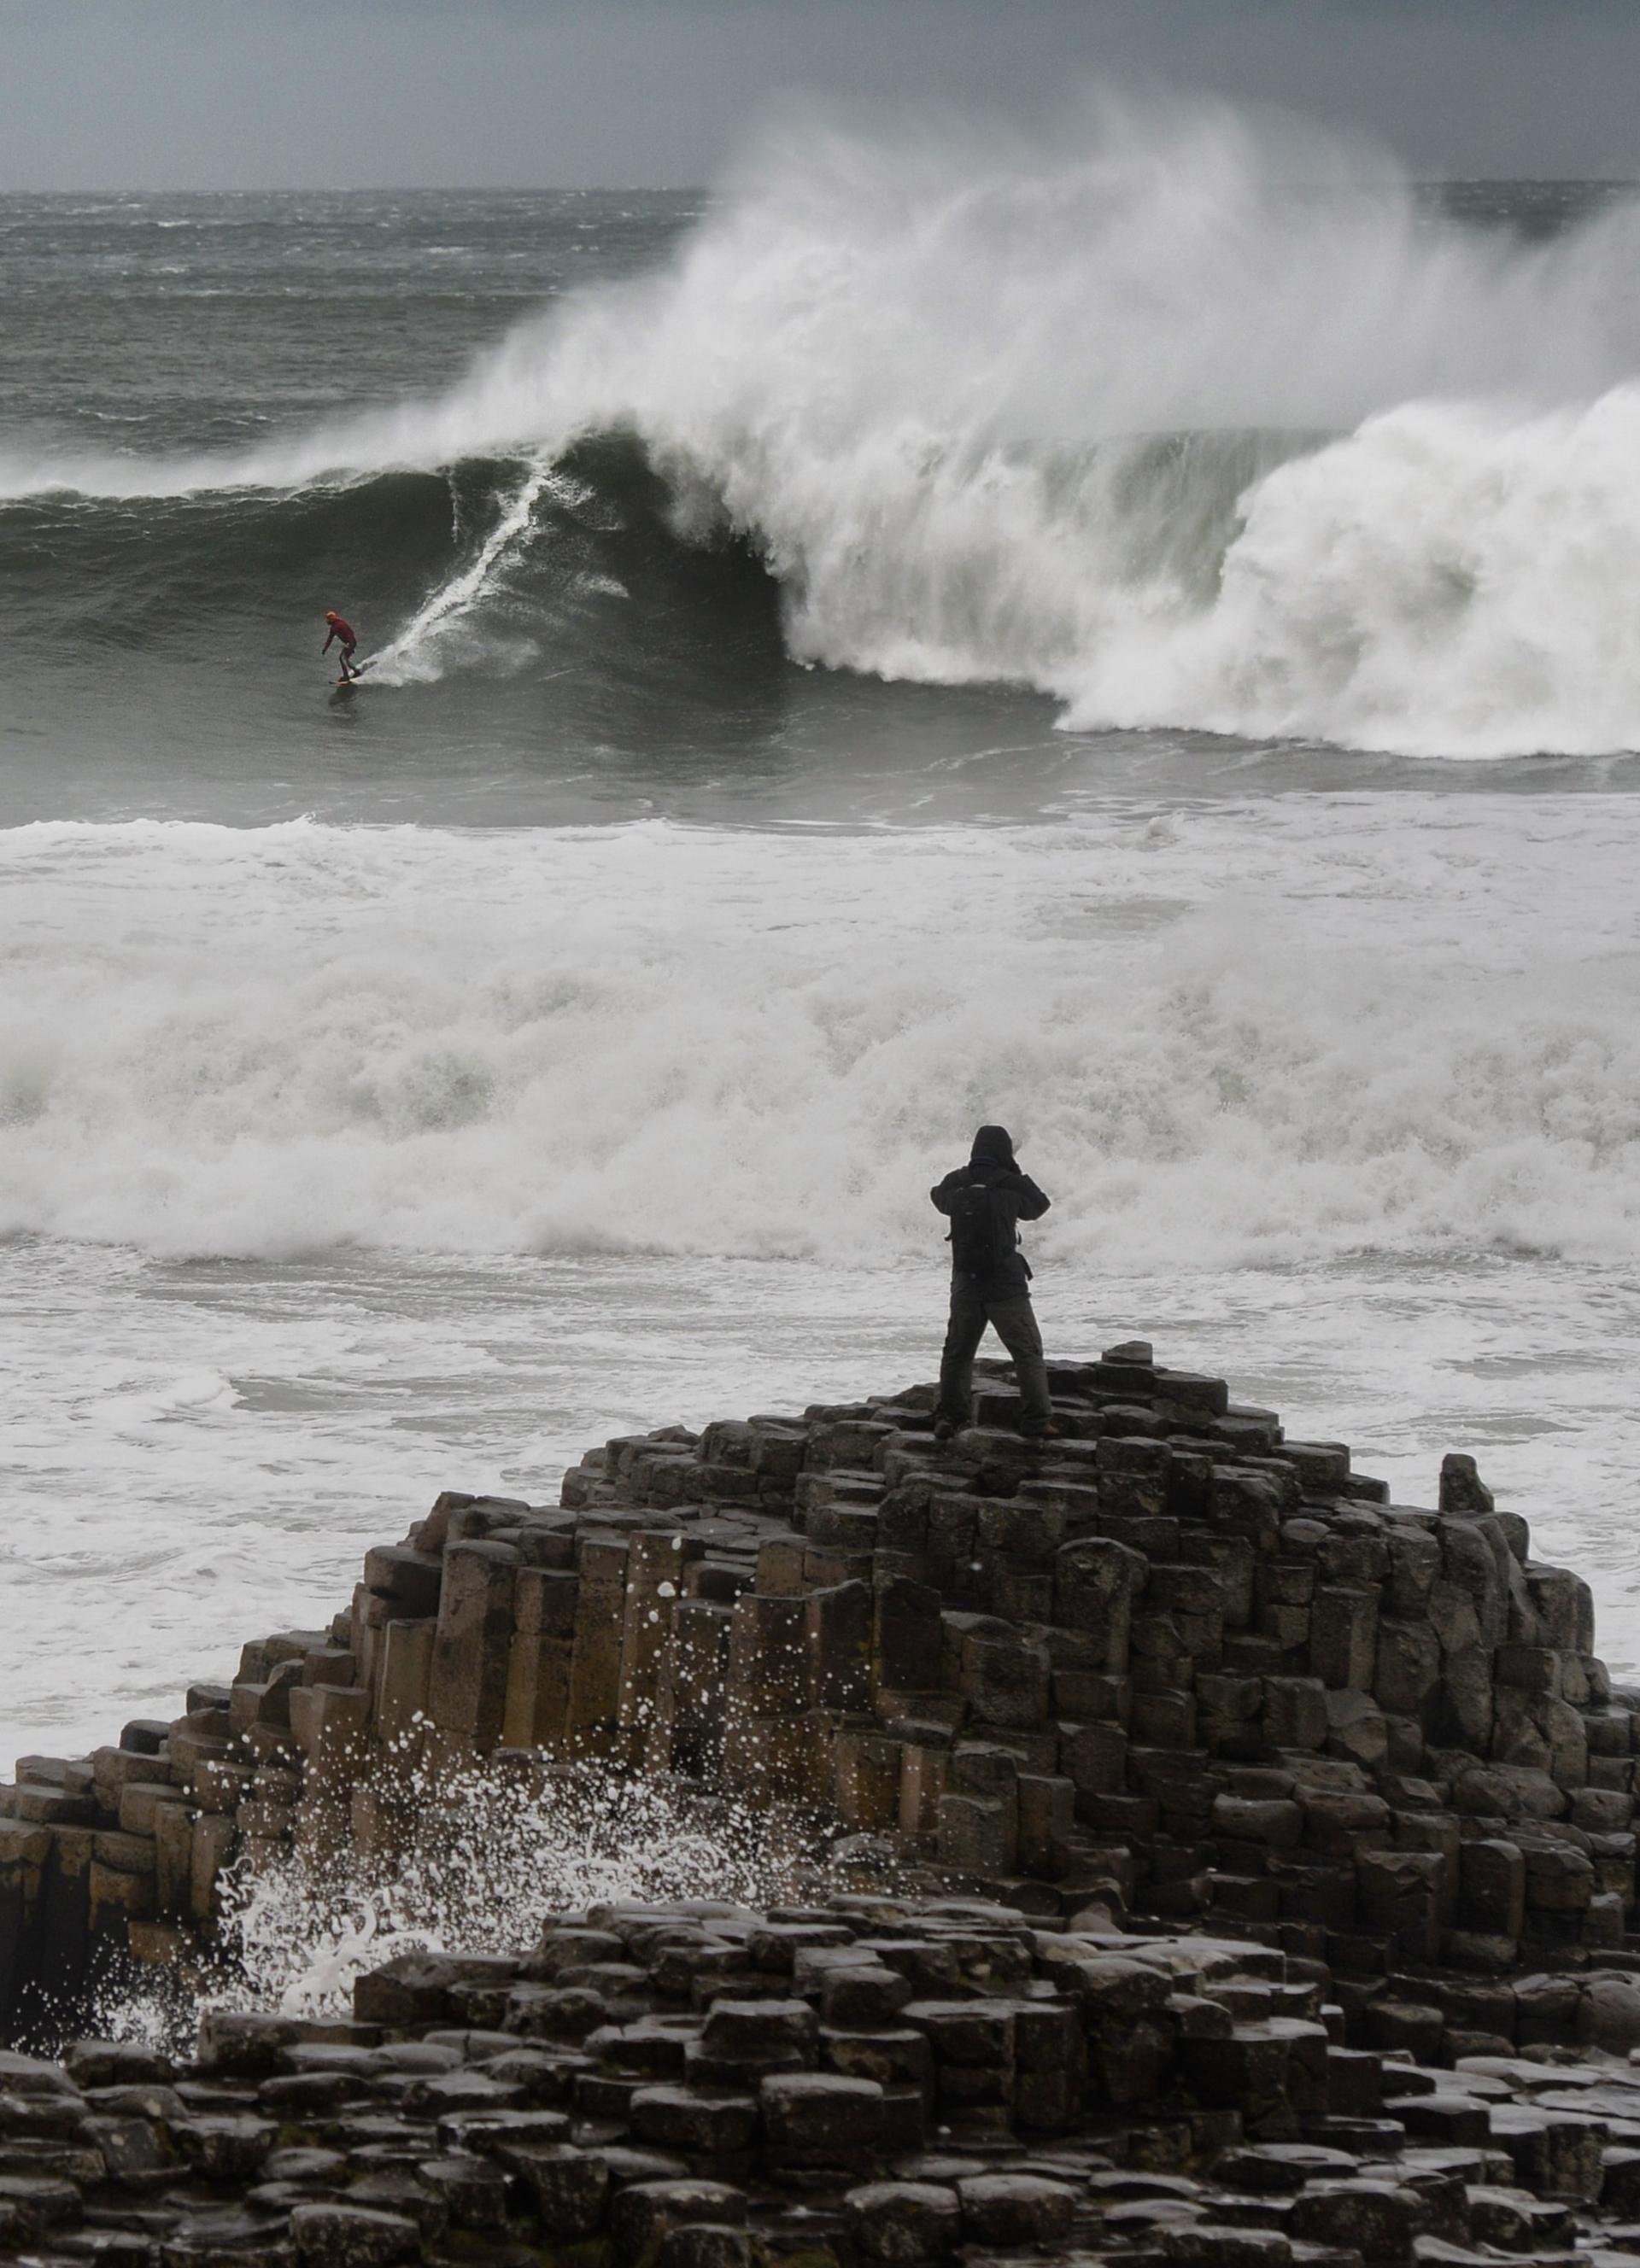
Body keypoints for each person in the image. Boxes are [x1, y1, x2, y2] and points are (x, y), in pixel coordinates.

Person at [930, 1124, 1057, 1443]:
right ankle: (1037, 1421)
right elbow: (1039, 1206)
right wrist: (1014, 1172)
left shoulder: (957, 1182)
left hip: (965, 1282)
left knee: (958, 1352)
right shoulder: (1010, 1184)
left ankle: (950, 1418)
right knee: (1027, 1352)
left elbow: (937, 1197)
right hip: (1005, 1284)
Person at [322, 610, 360, 681]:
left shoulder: (340, 624)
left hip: (351, 642)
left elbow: (350, 633)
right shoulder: (333, 627)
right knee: (344, 659)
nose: (327, 621)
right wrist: (325, 648)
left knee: (342, 658)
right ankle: (356, 671)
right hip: (349, 643)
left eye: (328, 619)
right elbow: (330, 639)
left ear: (331, 619)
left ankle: (346, 676)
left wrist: (350, 644)